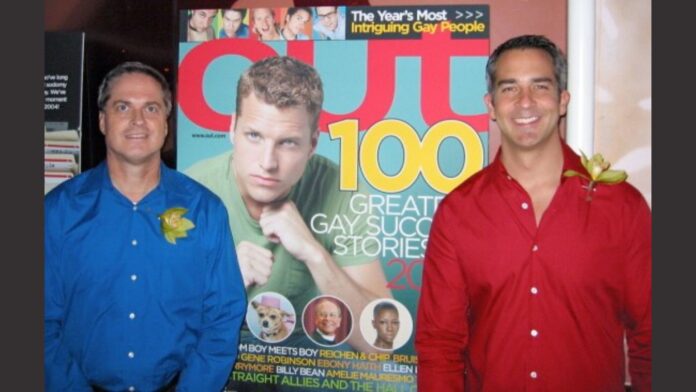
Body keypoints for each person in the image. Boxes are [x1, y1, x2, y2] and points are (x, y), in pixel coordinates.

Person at [415, 35, 651, 392]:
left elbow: (651, 336)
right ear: (491, 105)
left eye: (540, 86)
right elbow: (439, 345)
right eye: (509, 89)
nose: (525, 102)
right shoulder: (458, 213)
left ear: (562, 101)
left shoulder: (622, 207)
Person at [44, 61, 247, 391]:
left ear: (165, 124)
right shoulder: (58, 211)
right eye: (123, 106)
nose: (138, 120)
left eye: (151, 108)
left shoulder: (205, 210)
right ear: (102, 120)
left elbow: (222, 317)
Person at [186, 56, 391, 353]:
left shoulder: (342, 190)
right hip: (210, 354)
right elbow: (152, 334)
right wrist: (223, 282)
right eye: (254, 136)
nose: (267, 163)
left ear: (313, 144)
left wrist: (314, 253)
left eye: (288, 143)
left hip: (297, 360)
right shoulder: (191, 192)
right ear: (232, 128)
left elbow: (380, 345)